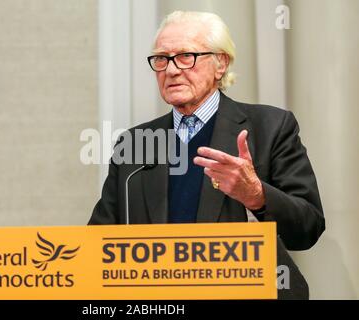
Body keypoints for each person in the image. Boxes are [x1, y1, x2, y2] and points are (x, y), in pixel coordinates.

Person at [89, 11, 325, 297]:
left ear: (220, 63)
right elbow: (97, 244)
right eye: (162, 59)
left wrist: (256, 195)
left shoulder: (270, 128)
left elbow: (308, 228)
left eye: (186, 55)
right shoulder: (135, 143)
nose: (171, 70)